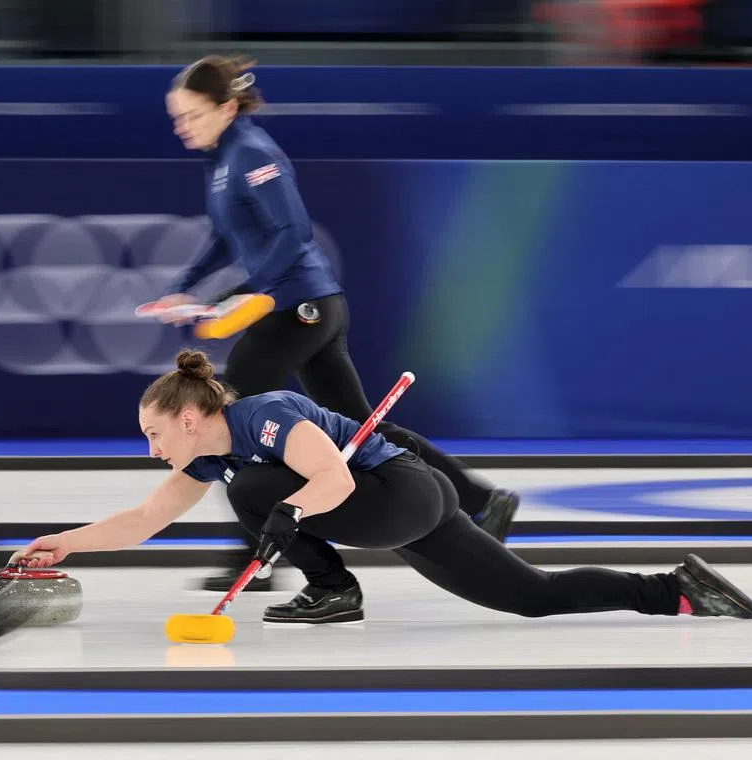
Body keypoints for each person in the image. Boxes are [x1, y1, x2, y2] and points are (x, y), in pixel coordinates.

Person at [16, 350, 752, 625]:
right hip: (396, 517)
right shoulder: (206, 458)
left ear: (187, 416)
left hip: (400, 494)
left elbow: (334, 475)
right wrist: (64, 545)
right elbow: (145, 520)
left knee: (259, 492)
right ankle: (675, 588)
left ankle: (334, 590)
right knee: (533, 597)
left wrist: (289, 513)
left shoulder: (266, 416)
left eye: (153, 435)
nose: (152, 452)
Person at [158, 55, 518, 592]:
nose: (182, 127)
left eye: (192, 115)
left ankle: (259, 561)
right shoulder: (223, 158)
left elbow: (293, 230)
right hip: (304, 306)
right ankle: (481, 498)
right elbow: (226, 235)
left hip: (300, 308)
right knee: (360, 426)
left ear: (228, 107)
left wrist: (252, 293)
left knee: (226, 422)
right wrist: (188, 284)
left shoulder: (253, 152)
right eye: (177, 118)